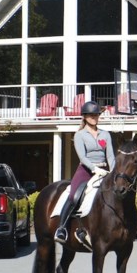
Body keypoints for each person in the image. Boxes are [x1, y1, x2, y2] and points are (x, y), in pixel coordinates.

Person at [54, 101, 115, 246]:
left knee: (119, 192)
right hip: (86, 171)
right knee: (74, 196)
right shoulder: (80, 135)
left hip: (104, 170)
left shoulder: (105, 134)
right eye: (91, 115)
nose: (94, 117)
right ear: (85, 117)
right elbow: (82, 157)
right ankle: (61, 228)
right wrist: (94, 169)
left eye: (96, 114)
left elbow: (111, 156)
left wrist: (112, 172)